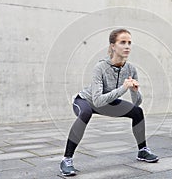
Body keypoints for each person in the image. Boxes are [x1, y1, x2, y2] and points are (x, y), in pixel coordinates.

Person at [60, 28, 159, 176]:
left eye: (129, 43)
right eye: (123, 42)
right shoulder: (100, 67)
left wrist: (135, 91)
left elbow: (137, 103)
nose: (127, 46)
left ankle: (143, 151)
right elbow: (98, 100)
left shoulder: (130, 69)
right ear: (113, 46)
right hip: (86, 100)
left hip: (107, 101)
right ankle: (66, 159)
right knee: (86, 113)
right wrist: (123, 88)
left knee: (137, 112)